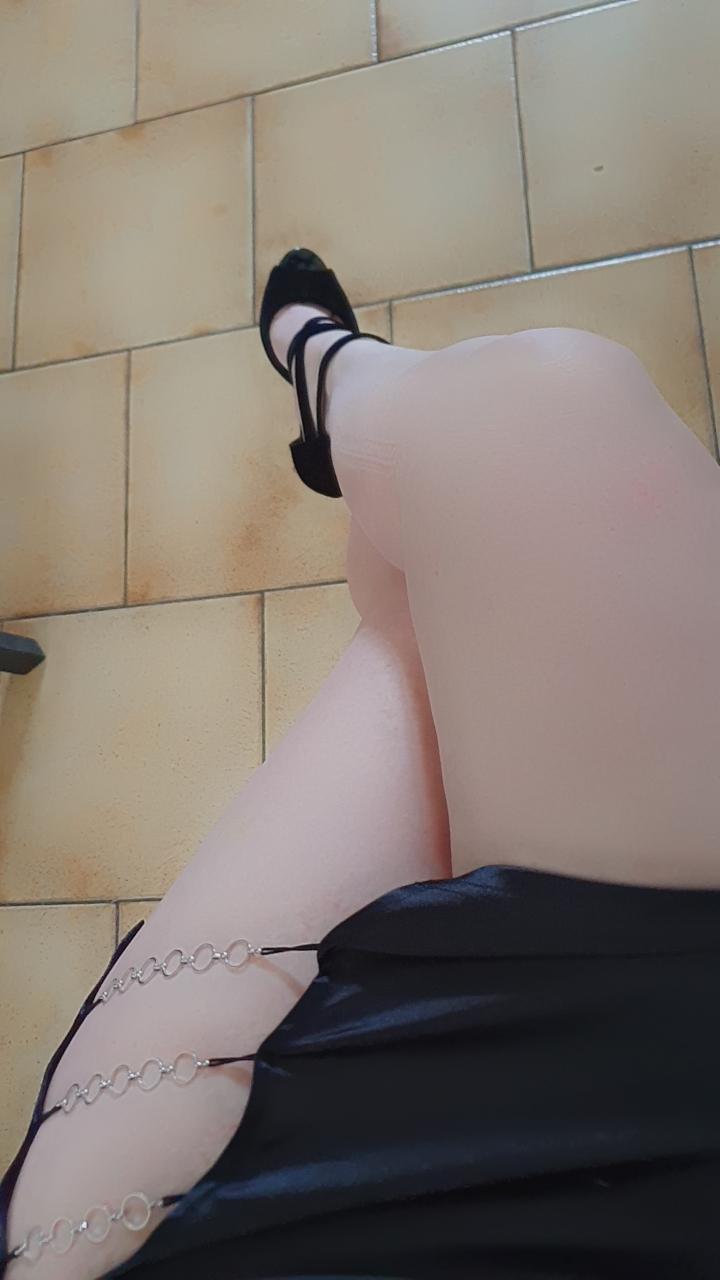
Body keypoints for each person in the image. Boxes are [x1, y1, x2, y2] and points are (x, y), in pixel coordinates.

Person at [2, 248, 720, 1279]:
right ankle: (332, 378)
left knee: (469, 522)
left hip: (185, 1222)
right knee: (540, 420)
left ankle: (329, 378)